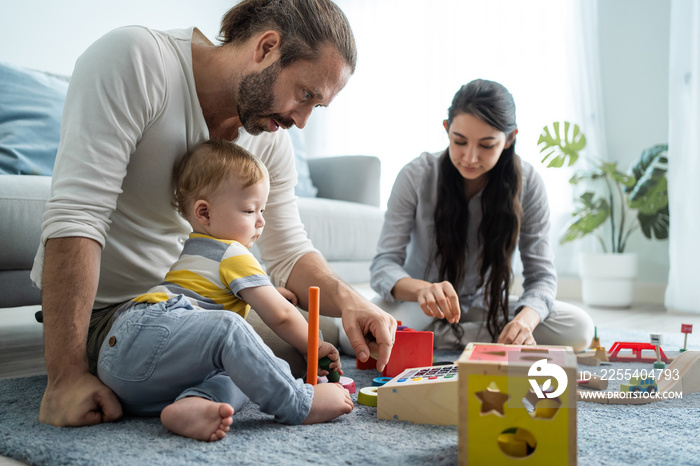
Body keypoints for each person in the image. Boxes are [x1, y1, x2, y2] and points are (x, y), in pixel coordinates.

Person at [32, 0, 396, 428]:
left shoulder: (269, 138)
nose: (301, 121)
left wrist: (353, 302)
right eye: (305, 95)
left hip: (195, 311)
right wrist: (65, 377)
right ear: (266, 48)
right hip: (116, 318)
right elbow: (78, 216)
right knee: (252, 345)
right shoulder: (136, 59)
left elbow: (288, 249)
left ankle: (198, 402)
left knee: (288, 355)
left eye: (317, 107)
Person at [97, 140, 352, 441]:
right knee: (232, 329)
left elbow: (215, 293)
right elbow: (282, 316)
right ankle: (297, 402)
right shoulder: (233, 253)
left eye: (262, 210)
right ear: (204, 213)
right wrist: (315, 346)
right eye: (249, 210)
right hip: (149, 328)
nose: (261, 221)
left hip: (123, 371)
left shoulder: (195, 250)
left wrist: (265, 291)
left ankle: (196, 403)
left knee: (243, 373)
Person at [370, 79, 594, 352]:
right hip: (421, 307)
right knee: (358, 335)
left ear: (510, 138)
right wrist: (422, 290)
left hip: (488, 308)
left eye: (487, 145)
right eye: (459, 141)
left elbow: (542, 277)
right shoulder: (416, 175)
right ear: (446, 129)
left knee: (580, 328)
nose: (470, 157)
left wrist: (525, 321)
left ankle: (436, 341)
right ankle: (476, 340)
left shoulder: (529, 182)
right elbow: (384, 265)